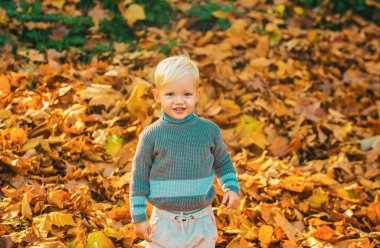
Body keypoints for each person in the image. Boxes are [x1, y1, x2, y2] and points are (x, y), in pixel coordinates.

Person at [129, 55, 241, 248]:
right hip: (164, 222)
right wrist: (139, 217)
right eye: (170, 94)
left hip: (201, 221)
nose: (179, 101)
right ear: (157, 95)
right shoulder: (151, 136)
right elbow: (139, 177)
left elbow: (223, 162)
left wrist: (231, 188)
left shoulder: (209, 131)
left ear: (197, 95)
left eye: (187, 94)